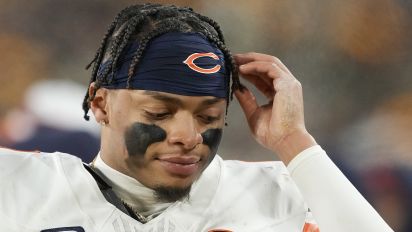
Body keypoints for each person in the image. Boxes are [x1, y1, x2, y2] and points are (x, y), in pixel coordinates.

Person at [0, 3, 393, 232]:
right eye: (160, 112)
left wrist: (295, 143)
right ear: (100, 104)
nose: (188, 136)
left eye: (209, 117)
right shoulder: (21, 186)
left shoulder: (278, 195)